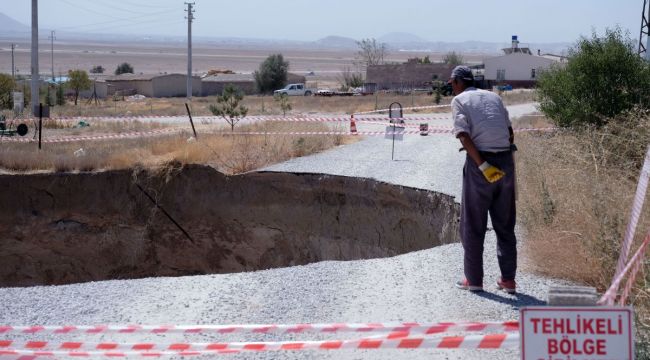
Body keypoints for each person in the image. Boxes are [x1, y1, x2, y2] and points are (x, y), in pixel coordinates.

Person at [449, 65, 517, 294]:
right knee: (505, 225)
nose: (451, 86)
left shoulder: (459, 100)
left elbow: (463, 135)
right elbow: (509, 132)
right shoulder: (494, 98)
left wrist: (483, 165)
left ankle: (474, 280)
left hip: (481, 165)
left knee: (474, 224)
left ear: (458, 81)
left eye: (452, 82)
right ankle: (508, 280)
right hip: (506, 161)